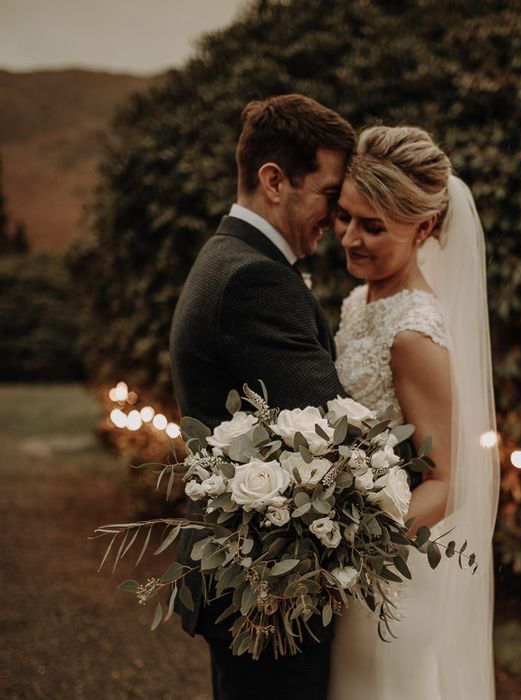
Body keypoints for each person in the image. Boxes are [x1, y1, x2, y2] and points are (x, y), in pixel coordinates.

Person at [169, 94, 356, 700]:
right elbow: (333, 431)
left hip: (254, 577)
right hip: (272, 589)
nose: (338, 213)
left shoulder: (226, 257)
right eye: (330, 193)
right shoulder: (254, 278)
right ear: (274, 181)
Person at [328, 126, 500, 699]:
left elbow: (451, 482)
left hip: (391, 569)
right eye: (345, 216)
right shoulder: (361, 301)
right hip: (353, 561)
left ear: (423, 227)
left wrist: (353, 543)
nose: (350, 237)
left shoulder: (413, 333)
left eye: (372, 227)